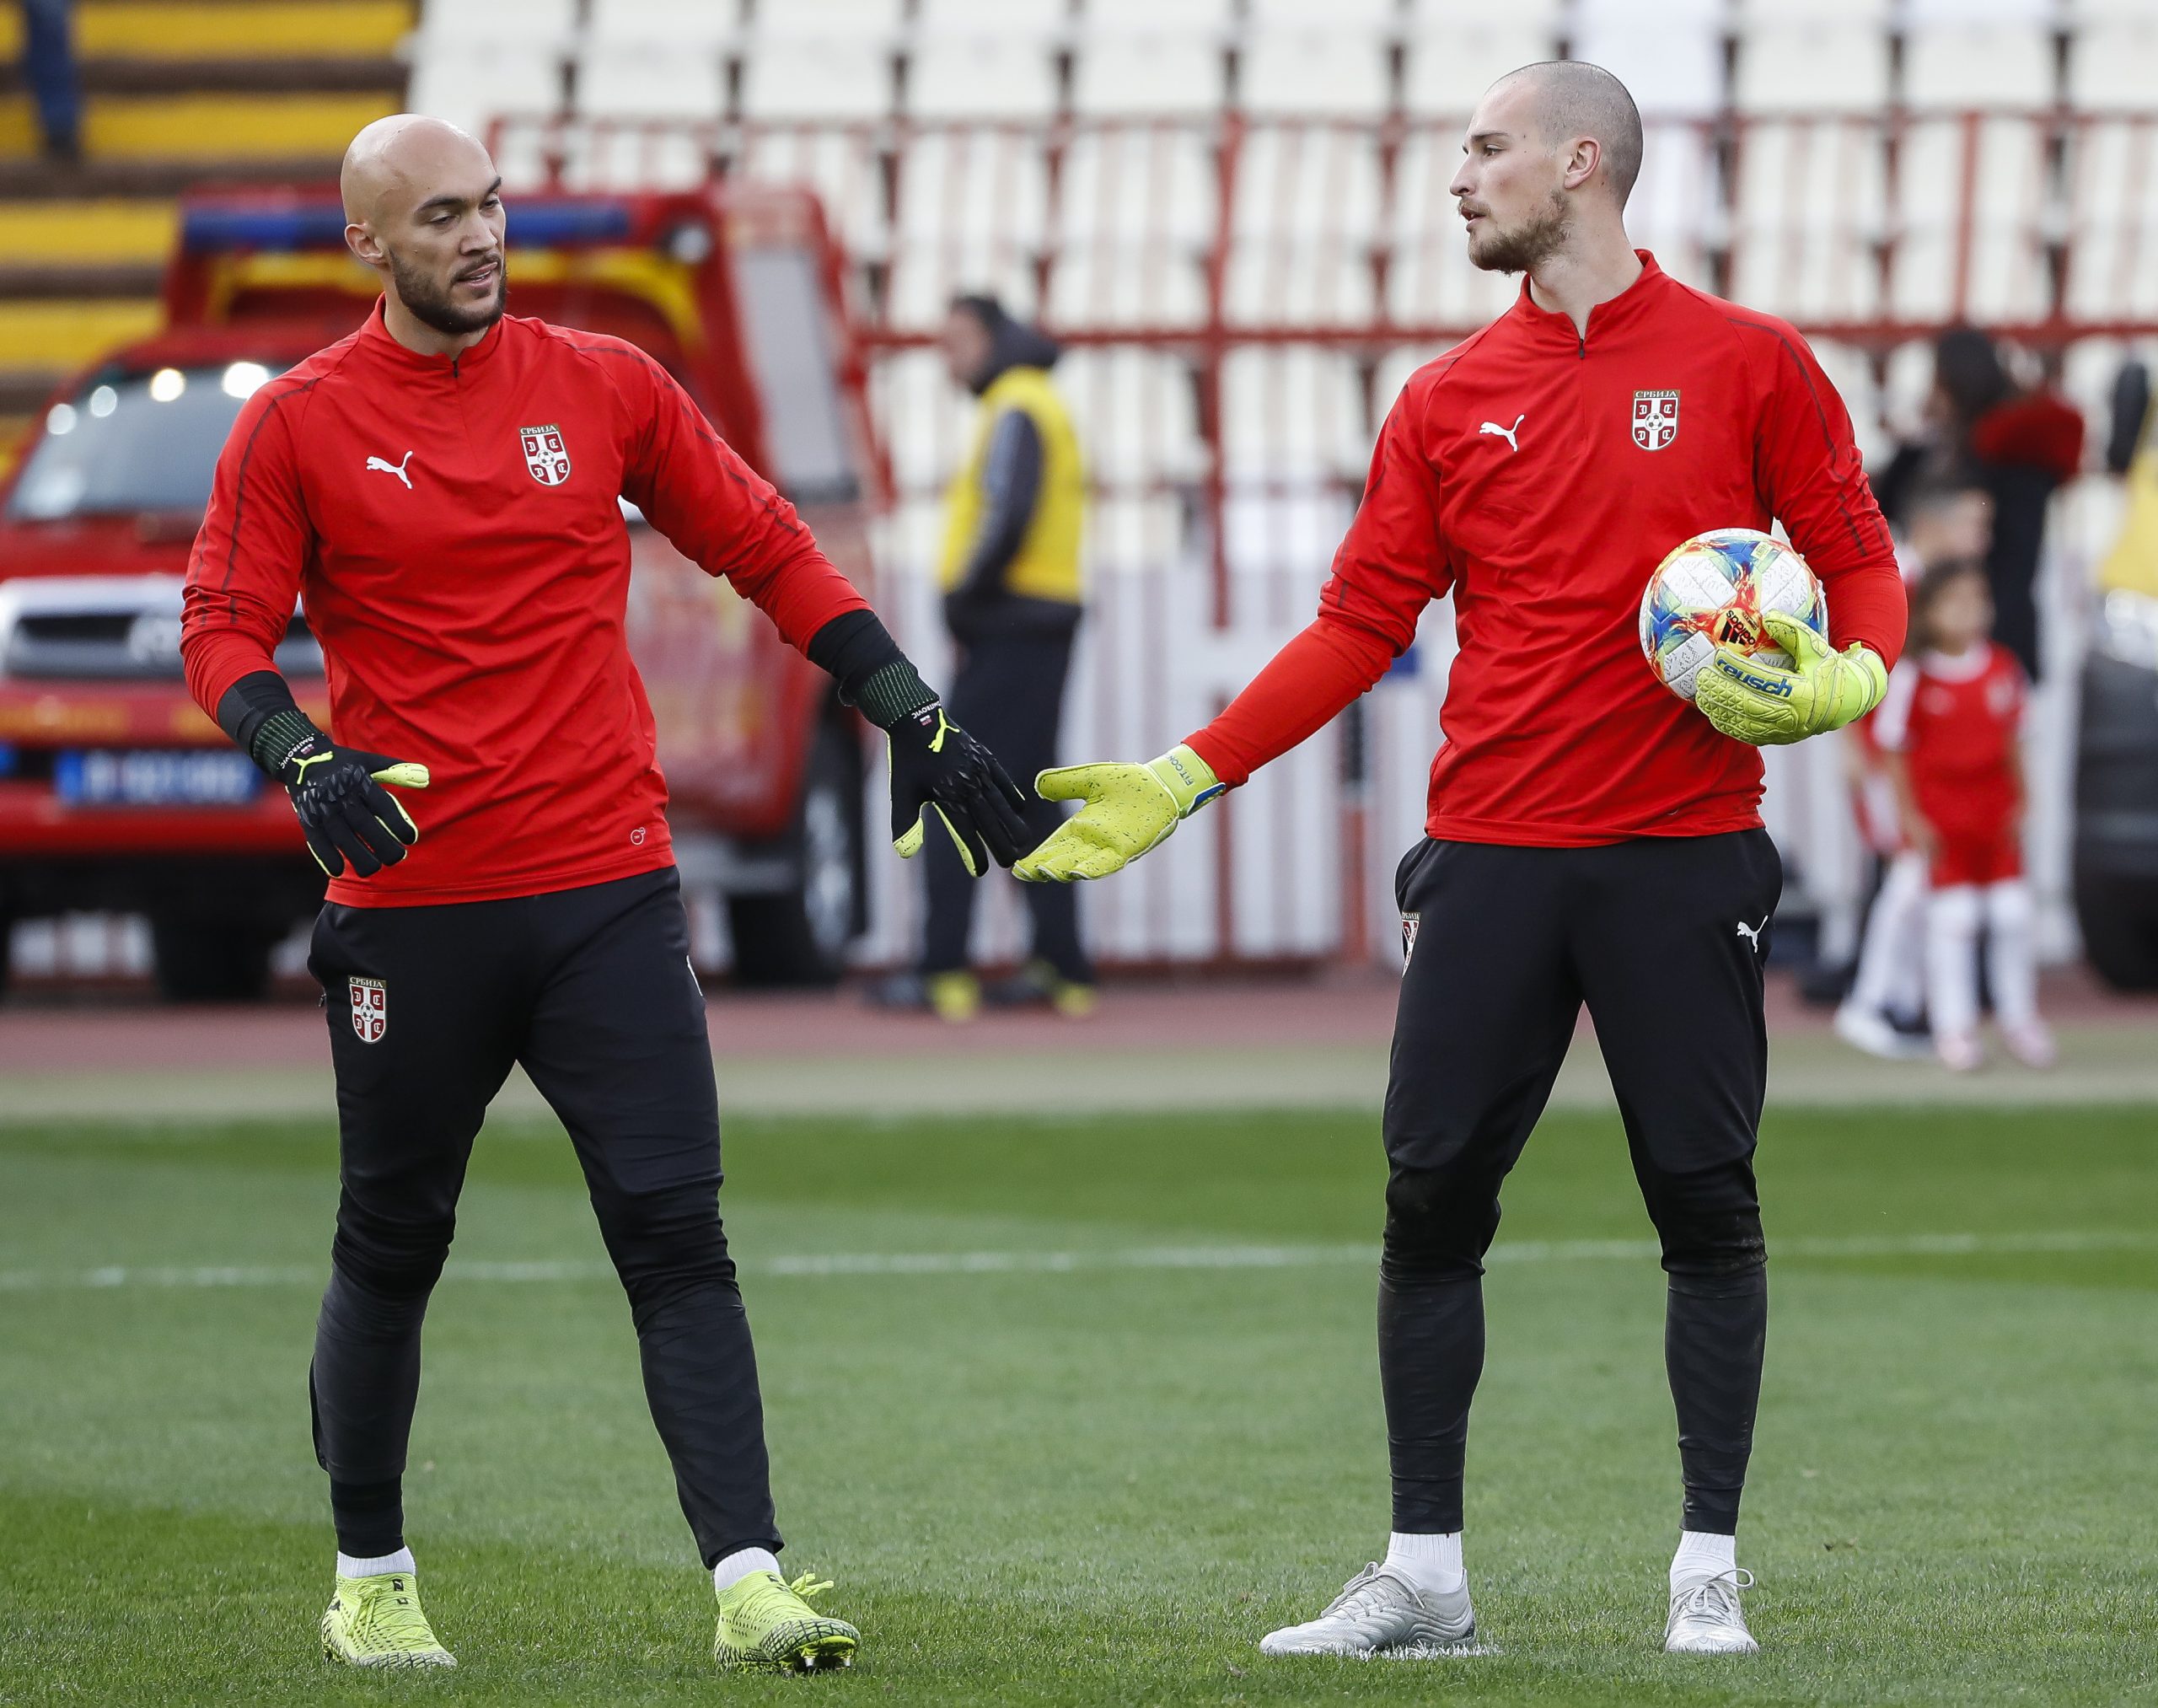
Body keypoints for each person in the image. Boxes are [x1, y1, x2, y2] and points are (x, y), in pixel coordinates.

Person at [1016, 62, 1905, 1658]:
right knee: (1429, 1198)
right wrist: (1187, 772)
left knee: (1704, 1200)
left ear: (1582, 163)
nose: (1460, 175)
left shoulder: (1750, 362)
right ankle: (1424, 1573)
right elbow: (1358, 624)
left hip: (1685, 852)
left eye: (1489, 148)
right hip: (1489, 854)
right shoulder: (1442, 397)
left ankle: (1707, 1569)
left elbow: (1856, 557)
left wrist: (1859, 673)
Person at [177, 115, 1031, 1674]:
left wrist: (908, 707)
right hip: (414, 907)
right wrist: (299, 755)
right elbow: (220, 629)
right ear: (368, 242)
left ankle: (751, 1580)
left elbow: (765, 544)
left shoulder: (607, 384)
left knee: (678, 1235)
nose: (480, 237)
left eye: (492, 206)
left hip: (607, 892)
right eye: (443, 215)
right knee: (392, 1242)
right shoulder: (296, 422)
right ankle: (371, 1578)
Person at [883, 294, 1092, 1022]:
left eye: (961, 340)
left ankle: (944, 970)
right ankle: (1062, 966)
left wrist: (965, 599)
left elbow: (1008, 512)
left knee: (950, 783)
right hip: (1038, 622)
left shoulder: (1017, 406)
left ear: (996, 339)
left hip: (1011, 623)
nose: (951, 358)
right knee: (1026, 790)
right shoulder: (1035, 401)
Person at [1834, 479, 1993, 1061]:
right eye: (1972, 526)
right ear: (1932, 525)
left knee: (1914, 877)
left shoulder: (1930, 585)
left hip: (1907, 756)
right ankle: (1872, 1001)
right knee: (1908, 872)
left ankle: (1898, 1000)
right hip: (1885, 754)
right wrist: (1852, 744)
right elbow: (1853, 656)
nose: (1980, 540)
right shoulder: (1896, 581)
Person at [1876, 561, 2051, 1072]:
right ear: (1929, 611)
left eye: (1978, 601)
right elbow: (1894, 751)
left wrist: (2025, 800)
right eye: (1955, 602)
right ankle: (1954, 1027)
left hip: (1994, 815)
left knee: (2012, 914)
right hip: (1944, 820)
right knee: (1954, 920)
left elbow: (2015, 740)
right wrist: (1910, 818)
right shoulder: (1914, 677)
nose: (1969, 613)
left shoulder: (2003, 668)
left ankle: (2020, 1020)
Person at [1872, 327, 2082, 679]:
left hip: (1984, 641)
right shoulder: (1952, 447)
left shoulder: (2008, 456)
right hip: (1957, 634)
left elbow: (2015, 571)